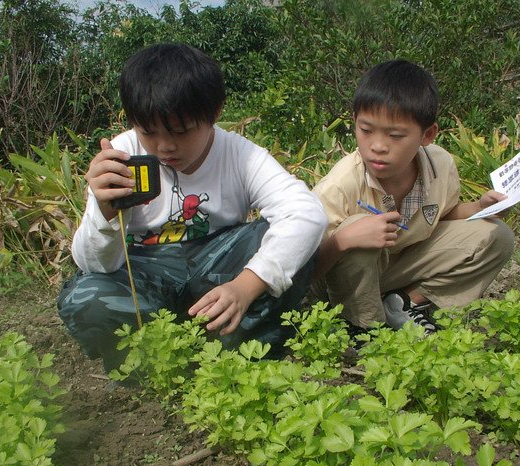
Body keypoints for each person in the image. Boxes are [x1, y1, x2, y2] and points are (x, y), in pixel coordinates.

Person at [58, 43, 327, 372]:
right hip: (145, 272)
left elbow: (306, 213)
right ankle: (152, 365)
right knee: (86, 298)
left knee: (290, 239)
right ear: (132, 121)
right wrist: (103, 211)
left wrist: (246, 286)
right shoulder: (121, 156)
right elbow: (94, 265)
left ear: (214, 113)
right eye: (148, 132)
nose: (165, 146)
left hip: (215, 269)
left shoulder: (240, 155)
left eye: (181, 131)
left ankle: (242, 353)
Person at [311, 60, 514, 335]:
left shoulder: (440, 164)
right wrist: (343, 241)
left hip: (395, 269)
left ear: (427, 134)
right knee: (355, 229)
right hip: (337, 281)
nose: (378, 146)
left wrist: (480, 207)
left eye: (395, 135)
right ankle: (364, 329)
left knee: (496, 236)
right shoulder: (339, 185)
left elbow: (444, 214)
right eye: (366, 130)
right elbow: (306, 271)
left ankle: (403, 303)